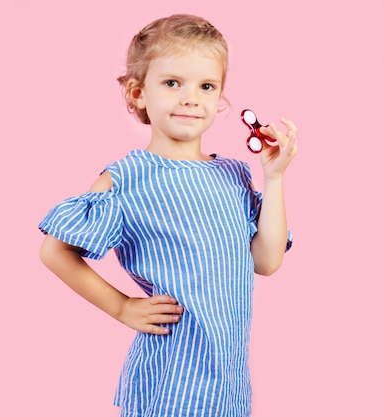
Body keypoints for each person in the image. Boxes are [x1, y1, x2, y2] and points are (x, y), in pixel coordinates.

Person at [38, 14, 297, 417]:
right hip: (172, 378)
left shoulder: (232, 176)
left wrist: (274, 176)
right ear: (138, 93)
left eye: (206, 86)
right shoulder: (129, 179)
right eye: (173, 83)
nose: (191, 97)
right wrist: (123, 307)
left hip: (227, 383)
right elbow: (54, 251)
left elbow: (266, 261)